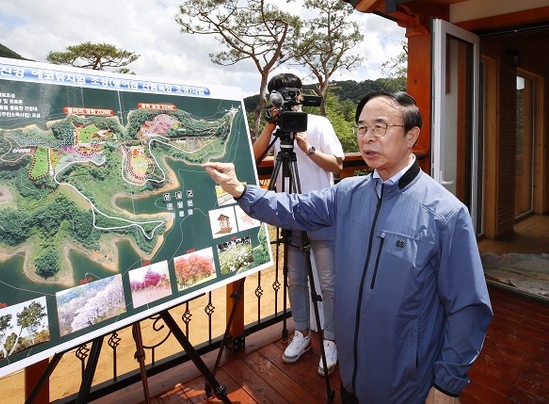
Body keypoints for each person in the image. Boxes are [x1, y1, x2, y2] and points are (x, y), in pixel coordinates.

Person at [203, 91, 493, 403]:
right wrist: (240, 190)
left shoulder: (445, 214)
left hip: (404, 384)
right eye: (362, 128)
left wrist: (448, 383)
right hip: (351, 375)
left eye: (380, 128)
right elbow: (294, 208)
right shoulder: (348, 193)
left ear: (411, 136)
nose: (368, 138)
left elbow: (468, 307)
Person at [253, 73, 344, 376]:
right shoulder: (278, 129)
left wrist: (308, 149)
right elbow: (254, 158)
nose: (288, 101)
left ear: (301, 97)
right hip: (290, 213)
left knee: (329, 282)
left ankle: (331, 340)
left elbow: (338, 165)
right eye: (279, 97)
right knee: (295, 279)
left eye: (291, 95)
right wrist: (270, 125)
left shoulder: (319, 124)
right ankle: (302, 333)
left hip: (320, 212)